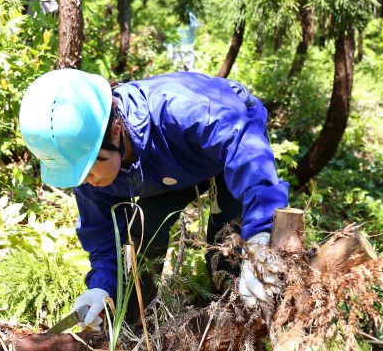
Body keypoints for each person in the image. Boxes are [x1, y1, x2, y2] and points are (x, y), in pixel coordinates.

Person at [18, 69, 289, 329]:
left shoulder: (185, 112)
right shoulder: (90, 160)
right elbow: (103, 235)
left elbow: (250, 160)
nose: (87, 181)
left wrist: (260, 238)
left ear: (115, 131)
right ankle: (134, 327)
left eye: (89, 169)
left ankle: (237, 327)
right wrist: (102, 286)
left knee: (228, 241)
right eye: (78, 174)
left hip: (213, 149)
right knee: (141, 232)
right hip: (165, 170)